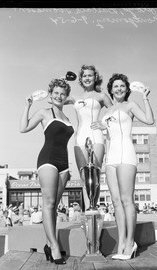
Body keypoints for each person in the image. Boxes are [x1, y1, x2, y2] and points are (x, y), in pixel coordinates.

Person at [92, 73, 154, 260]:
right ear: (110, 90)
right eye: (115, 86)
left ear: (127, 89)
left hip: (127, 155)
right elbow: (106, 131)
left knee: (127, 201)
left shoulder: (130, 105)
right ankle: (121, 243)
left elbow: (149, 120)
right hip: (111, 159)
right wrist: (100, 127)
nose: (118, 89)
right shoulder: (107, 112)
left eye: (122, 86)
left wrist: (145, 97)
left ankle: (130, 242)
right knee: (116, 202)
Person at [20, 75, 75, 264]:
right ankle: (54, 247)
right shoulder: (45, 112)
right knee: (49, 204)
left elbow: (73, 100)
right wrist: (28, 105)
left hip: (64, 164)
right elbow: (23, 127)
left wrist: (63, 94)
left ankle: (47, 243)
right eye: (56, 93)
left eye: (63, 94)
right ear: (50, 95)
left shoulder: (66, 116)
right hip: (48, 160)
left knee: (54, 208)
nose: (59, 96)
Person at [64, 65, 112, 210]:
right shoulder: (74, 97)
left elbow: (115, 113)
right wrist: (62, 80)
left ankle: (94, 208)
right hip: (79, 138)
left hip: (96, 136)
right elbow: (55, 98)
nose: (87, 78)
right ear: (80, 78)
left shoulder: (102, 96)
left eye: (90, 75)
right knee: (84, 176)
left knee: (95, 173)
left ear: (95, 77)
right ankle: (87, 210)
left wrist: (104, 124)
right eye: (84, 76)